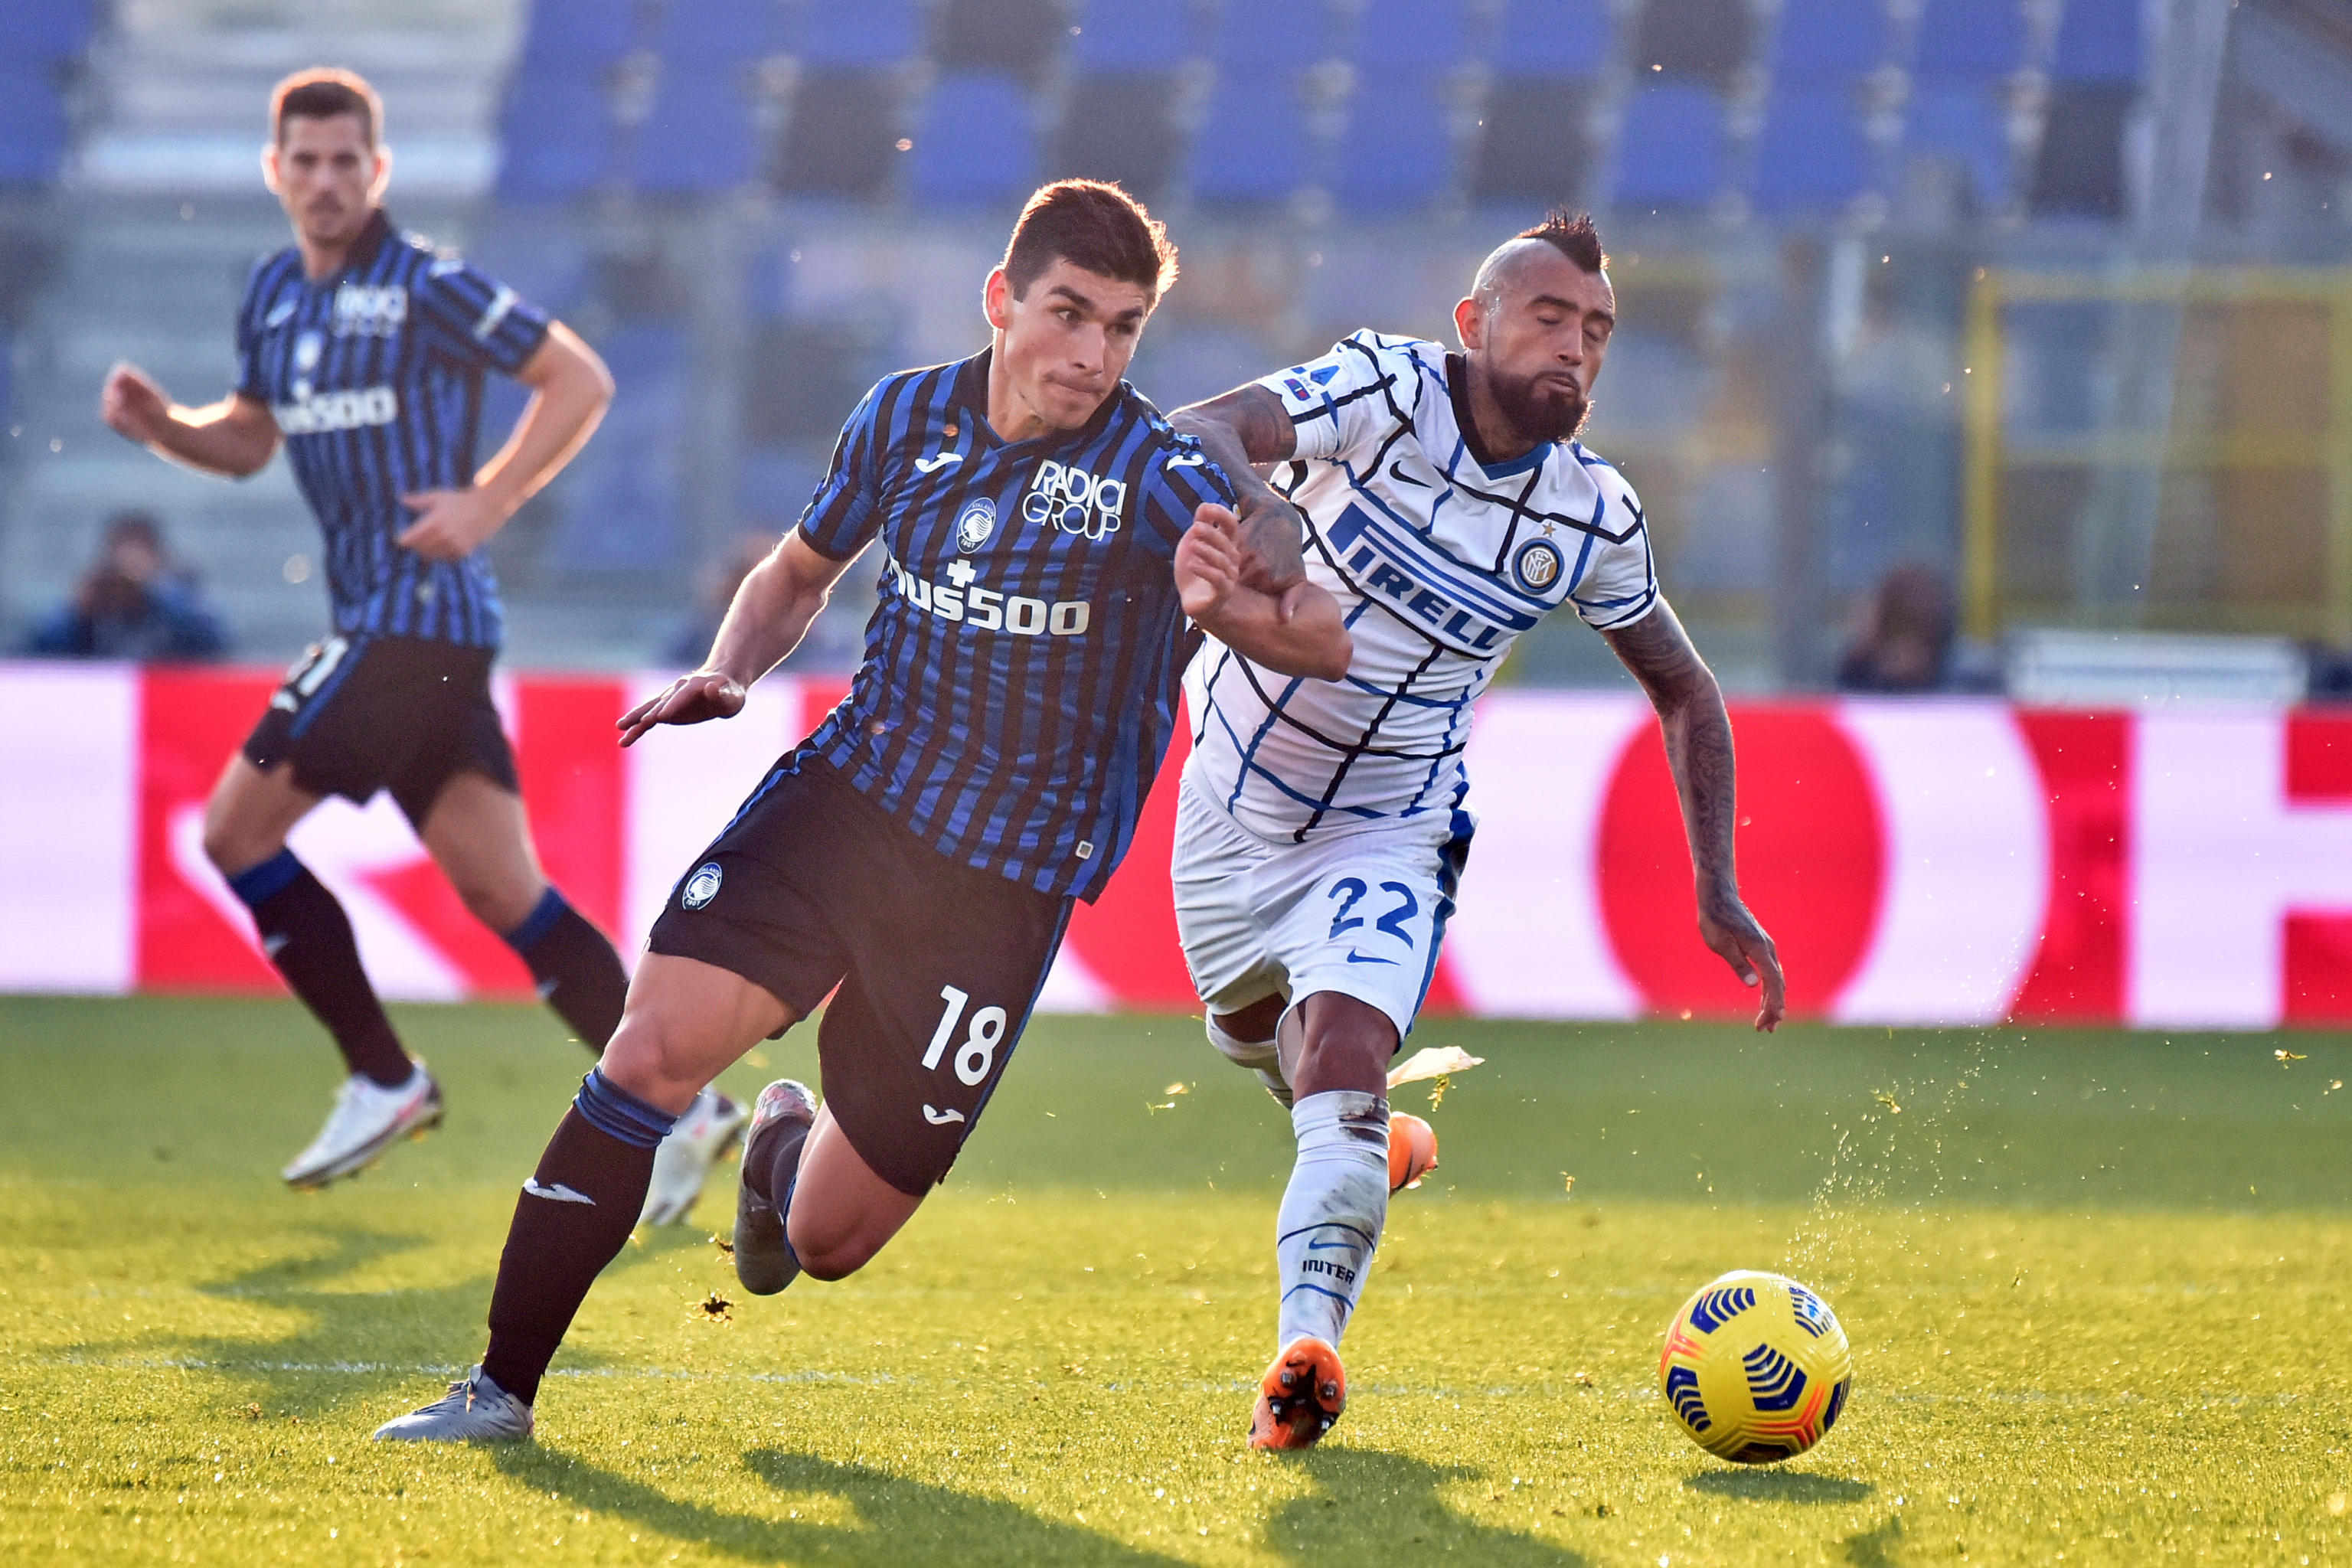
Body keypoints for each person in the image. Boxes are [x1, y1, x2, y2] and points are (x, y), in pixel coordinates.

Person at [372, 178, 1346, 1443]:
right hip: (848, 806)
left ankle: (779, 1154)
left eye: (1122, 328)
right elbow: (794, 574)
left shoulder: (1152, 472)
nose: (1093, 354)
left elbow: (1317, 635)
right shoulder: (904, 416)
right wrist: (733, 667)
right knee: (650, 1051)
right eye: (1069, 314)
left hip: (998, 886)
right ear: (1002, 301)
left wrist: (1226, 603)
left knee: (826, 1243)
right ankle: (497, 1389)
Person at [1168, 209, 1787, 1449]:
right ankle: (1360, 1135)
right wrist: (1263, 506)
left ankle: (1307, 1351)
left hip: (1391, 821)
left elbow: (1686, 687)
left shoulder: (1590, 515)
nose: (1576, 347)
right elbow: (1203, 428)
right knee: (1253, 1044)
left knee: (1338, 1051)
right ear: (1476, 322)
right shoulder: (1386, 390)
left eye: (1597, 331)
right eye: (1550, 316)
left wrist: (1715, 884)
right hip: (1229, 799)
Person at [96, 68, 746, 1216]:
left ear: (378, 171)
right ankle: (689, 1106)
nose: (329, 179)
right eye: (308, 160)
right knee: (509, 896)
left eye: (349, 160)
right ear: (276, 171)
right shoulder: (272, 297)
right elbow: (246, 441)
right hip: (407, 640)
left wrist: (490, 502)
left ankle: (384, 1075)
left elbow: (576, 378)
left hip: (412, 624)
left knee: (234, 833)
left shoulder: (423, 284)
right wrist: (166, 431)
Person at [23, 511, 230, 661]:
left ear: (157, 557)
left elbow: (214, 644)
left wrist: (152, 588)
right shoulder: (97, 600)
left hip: (170, 696)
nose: (129, 563)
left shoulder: (182, 596)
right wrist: (77, 611)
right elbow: (40, 651)